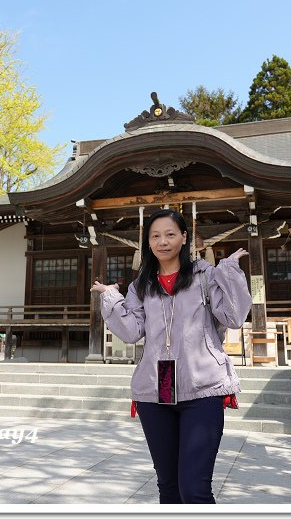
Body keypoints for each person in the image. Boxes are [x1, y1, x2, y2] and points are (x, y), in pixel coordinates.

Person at [91, 209, 252, 504]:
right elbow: (130, 332)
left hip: (203, 386)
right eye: (155, 236)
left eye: (170, 234)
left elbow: (234, 317)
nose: (162, 241)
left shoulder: (206, 276)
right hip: (158, 386)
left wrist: (229, 273)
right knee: (168, 486)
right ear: (147, 242)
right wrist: (111, 298)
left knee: (194, 489)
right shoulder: (142, 286)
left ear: (184, 238)